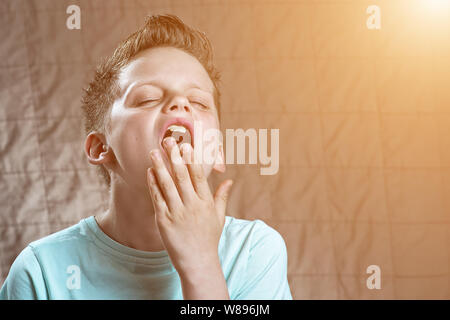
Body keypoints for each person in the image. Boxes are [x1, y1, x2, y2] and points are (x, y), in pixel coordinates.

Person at [0, 14, 292, 300]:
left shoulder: (254, 251)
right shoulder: (40, 273)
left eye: (199, 102)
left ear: (217, 151)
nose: (180, 103)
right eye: (147, 98)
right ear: (100, 148)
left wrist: (201, 263)